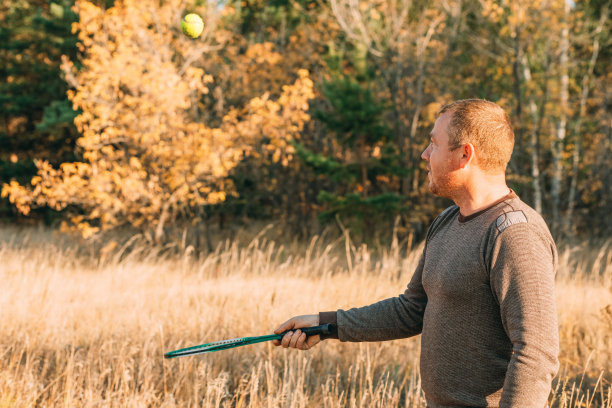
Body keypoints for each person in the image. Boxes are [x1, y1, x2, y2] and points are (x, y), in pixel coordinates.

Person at [272, 99, 559, 407]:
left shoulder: (515, 233)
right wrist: (325, 325)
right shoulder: (447, 221)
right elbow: (411, 310)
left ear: (465, 154)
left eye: (434, 144)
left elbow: (536, 352)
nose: (425, 154)